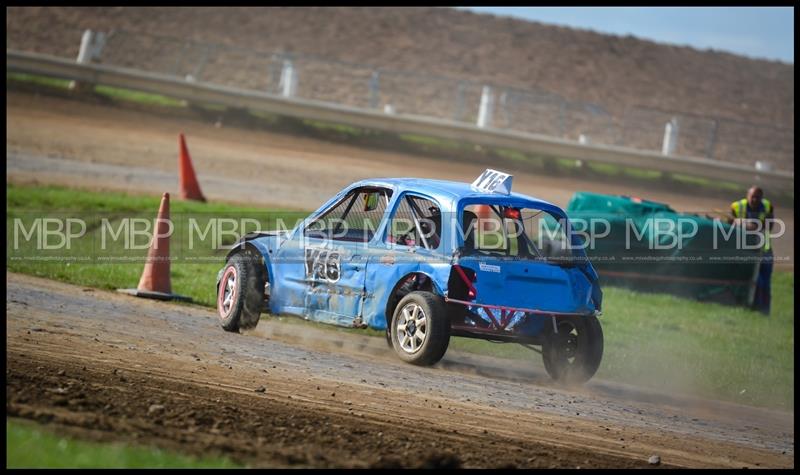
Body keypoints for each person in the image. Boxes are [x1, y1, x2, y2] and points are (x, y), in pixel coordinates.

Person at [729, 186, 774, 315]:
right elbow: (729, 226)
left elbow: (769, 227)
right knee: (749, 278)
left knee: (764, 281)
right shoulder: (737, 206)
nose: (755, 200)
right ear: (747, 195)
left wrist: (746, 224)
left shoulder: (767, 206)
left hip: (764, 249)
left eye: (758, 197)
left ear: (762, 198)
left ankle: (764, 310)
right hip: (744, 248)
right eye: (752, 196)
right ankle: (749, 306)